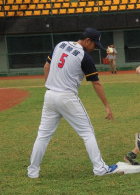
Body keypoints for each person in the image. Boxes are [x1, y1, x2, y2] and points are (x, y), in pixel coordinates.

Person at [27, 28, 118, 178]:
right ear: (87, 40)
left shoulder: (60, 44)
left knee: (43, 135)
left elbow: (46, 66)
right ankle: (100, 169)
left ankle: (32, 171)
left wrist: (49, 85)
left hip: (49, 95)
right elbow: (96, 84)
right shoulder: (85, 57)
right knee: (87, 133)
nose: (95, 49)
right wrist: (107, 106)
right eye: (94, 45)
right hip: (67, 97)